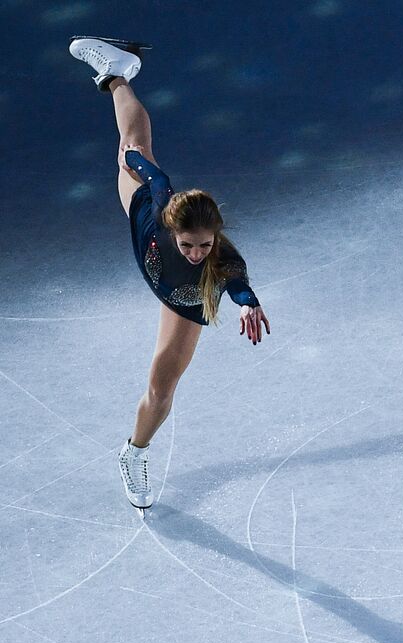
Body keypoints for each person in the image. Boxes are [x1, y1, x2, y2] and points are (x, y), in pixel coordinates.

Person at [68, 37, 272, 510]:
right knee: (133, 145)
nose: (199, 253)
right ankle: (115, 72)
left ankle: (132, 453)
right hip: (143, 227)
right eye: (189, 244)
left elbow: (237, 285)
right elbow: (157, 181)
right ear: (174, 229)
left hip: (182, 301)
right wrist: (133, 161)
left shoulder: (220, 263)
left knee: (161, 390)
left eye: (205, 245)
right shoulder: (160, 212)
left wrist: (249, 301)